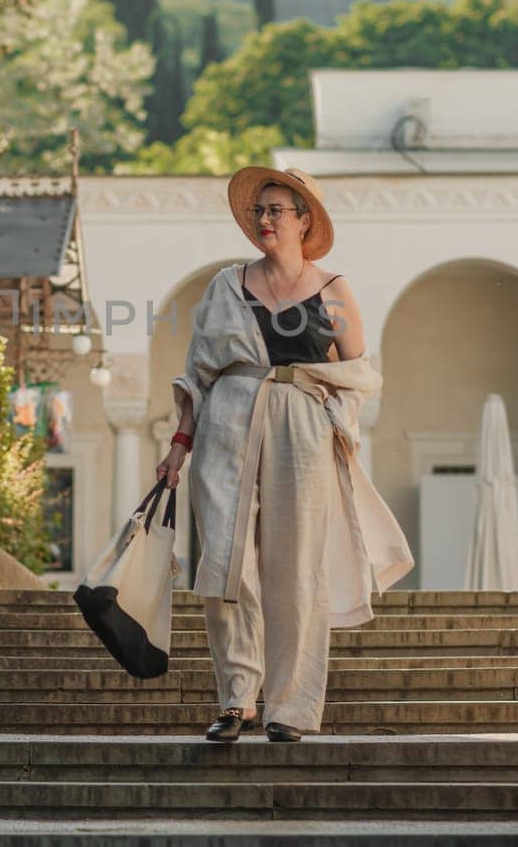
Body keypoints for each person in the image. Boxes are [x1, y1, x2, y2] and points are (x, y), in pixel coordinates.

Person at [157, 166, 414, 743]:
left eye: (277, 210)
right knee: (224, 560)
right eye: (260, 211)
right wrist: (178, 447)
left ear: (304, 221)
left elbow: (358, 373)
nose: (265, 220)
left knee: (297, 566)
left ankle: (291, 708)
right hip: (228, 418)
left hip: (301, 423)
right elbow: (198, 373)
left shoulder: (334, 290)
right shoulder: (225, 285)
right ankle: (236, 700)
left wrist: (336, 428)